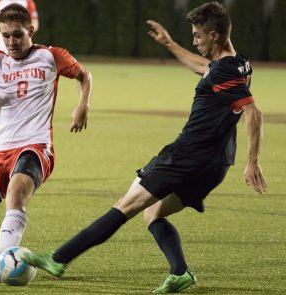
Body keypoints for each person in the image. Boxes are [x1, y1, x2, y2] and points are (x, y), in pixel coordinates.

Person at [21, 2, 267, 294]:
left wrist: (253, 161)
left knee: (126, 206)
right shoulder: (239, 63)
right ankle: (180, 273)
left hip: (185, 156)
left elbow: (254, 113)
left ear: (214, 36)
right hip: (215, 165)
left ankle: (58, 259)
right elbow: (204, 68)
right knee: (154, 214)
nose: (195, 41)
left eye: (198, 36)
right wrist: (170, 44)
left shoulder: (225, 69)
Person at [0, 3, 92, 283]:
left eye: (17, 35)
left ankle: (2, 259)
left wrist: (82, 105)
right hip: (1, 150)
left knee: (17, 191)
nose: (11, 42)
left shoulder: (51, 56)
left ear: (30, 31)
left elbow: (85, 75)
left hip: (36, 147)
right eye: (6, 36)